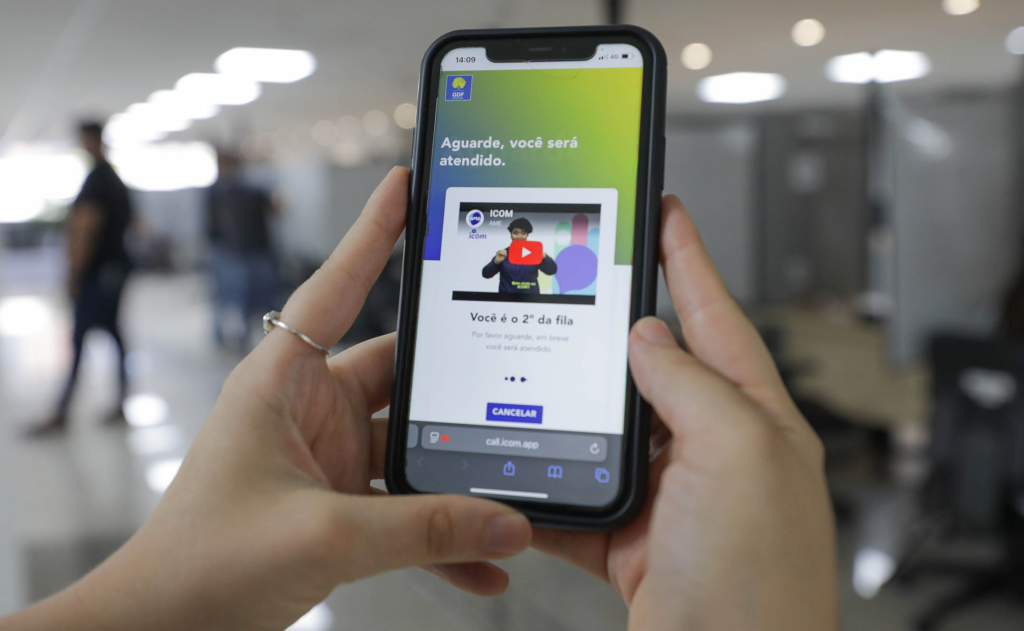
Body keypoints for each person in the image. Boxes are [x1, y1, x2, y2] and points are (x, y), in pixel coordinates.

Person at [1, 167, 838, 630]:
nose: (519, 239)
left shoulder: (532, 256)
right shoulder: (515, 254)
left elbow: (542, 268)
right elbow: (509, 267)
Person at [28, 120, 132, 435]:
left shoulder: (98, 179)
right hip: (112, 269)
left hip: (98, 273)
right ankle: (118, 402)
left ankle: (63, 411)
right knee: (113, 336)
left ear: (93, 139)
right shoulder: (111, 178)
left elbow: (86, 226)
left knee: (80, 338)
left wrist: (74, 272)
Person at [206, 149, 280, 349]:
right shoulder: (221, 192)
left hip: (249, 251)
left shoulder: (247, 190)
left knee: (250, 297)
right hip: (232, 252)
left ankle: (246, 336)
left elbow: (274, 209)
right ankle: (234, 335)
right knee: (233, 297)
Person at [482, 217, 557, 294]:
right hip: (506, 299)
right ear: (511, 234)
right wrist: (495, 262)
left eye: (523, 233)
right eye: (515, 233)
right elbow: (486, 274)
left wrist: (545, 257)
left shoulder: (535, 253)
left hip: (530, 299)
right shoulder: (503, 254)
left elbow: (552, 270)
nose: (519, 236)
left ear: (527, 234)